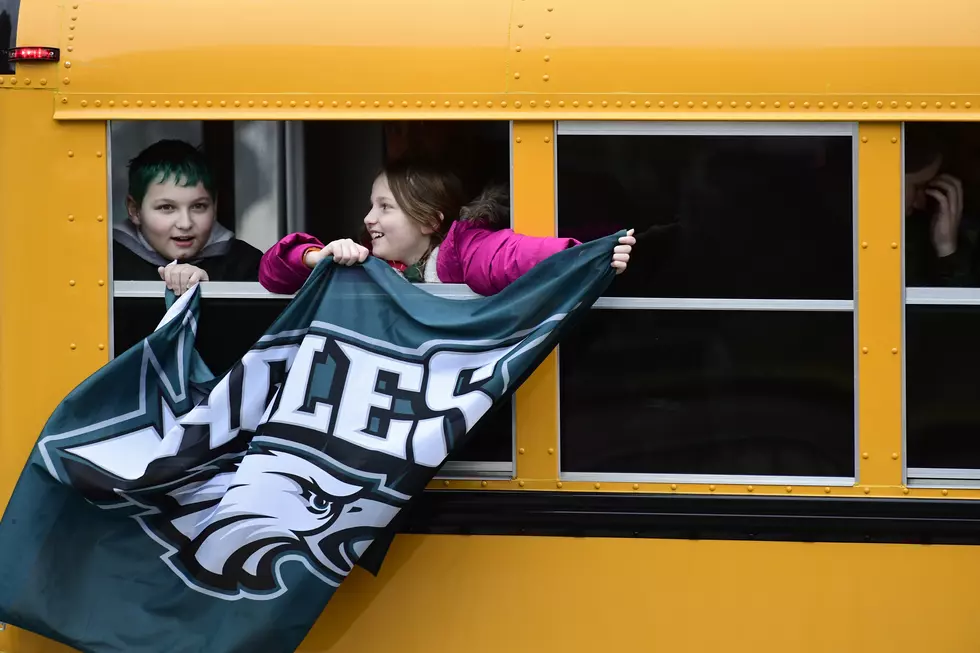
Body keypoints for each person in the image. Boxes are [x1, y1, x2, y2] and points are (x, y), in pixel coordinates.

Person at [258, 160, 635, 296]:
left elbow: (510, 258)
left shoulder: (462, 253)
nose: (368, 218)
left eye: (385, 207)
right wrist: (313, 258)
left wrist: (585, 253)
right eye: (371, 205)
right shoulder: (360, 258)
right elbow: (272, 274)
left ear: (429, 221)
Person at [113, 139, 263, 295]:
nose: (185, 224)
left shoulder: (245, 264)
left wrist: (210, 295)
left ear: (215, 206)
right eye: (167, 207)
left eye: (198, 206)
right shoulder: (108, 263)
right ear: (135, 210)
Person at [904, 124, 977, 287]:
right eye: (917, 187)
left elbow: (953, 311)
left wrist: (947, 249)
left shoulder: (922, 230)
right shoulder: (842, 232)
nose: (921, 203)